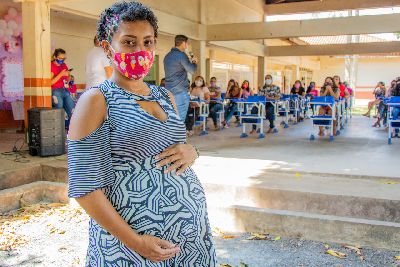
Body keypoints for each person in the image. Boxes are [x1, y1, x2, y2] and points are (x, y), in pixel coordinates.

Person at [67, 2, 216, 266]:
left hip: (190, 241)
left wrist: (192, 151)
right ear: (106, 47)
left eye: (147, 42)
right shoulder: (97, 100)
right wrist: (137, 243)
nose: (140, 50)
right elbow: (84, 187)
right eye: (129, 42)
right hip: (131, 247)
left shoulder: (164, 95)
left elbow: (175, 149)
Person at [164, 35, 197, 121]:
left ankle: (170, 134)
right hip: (180, 92)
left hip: (168, 92)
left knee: (171, 118)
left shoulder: (167, 56)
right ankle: (178, 134)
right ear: (183, 43)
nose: (187, 45)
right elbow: (192, 70)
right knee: (180, 120)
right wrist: (194, 62)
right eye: (187, 43)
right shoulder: (182, 55)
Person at [51, 48, 75, 129]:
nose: (62, 60)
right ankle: (58, 129)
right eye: (60, 58)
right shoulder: (51, 66)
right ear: (55, 56)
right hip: (55, 91)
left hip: (64, 90)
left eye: (64, 58)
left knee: (72, 109)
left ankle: (70, 128)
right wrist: (61, 74)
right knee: (59, 111)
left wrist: (69, 76)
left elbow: (67, 78)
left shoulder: (64, 65)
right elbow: (50, 82)